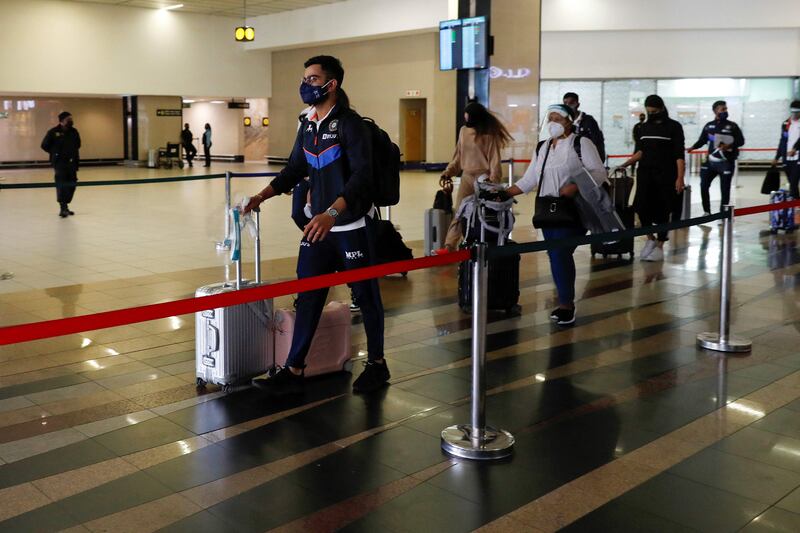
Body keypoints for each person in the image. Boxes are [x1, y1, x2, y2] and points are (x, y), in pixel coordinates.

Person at [243, 55, 388, 394]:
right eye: (305, 78)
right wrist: (260, 196)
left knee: (366, 296)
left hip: (351, 225)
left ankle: (378, 365)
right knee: (308, 295)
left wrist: (332, 214)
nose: (305, 84)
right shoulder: (308, 125)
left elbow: (362, 179)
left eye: (312, 78)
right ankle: (294, 369)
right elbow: (294, 168)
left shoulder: (351, 125)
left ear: (331, 84)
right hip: (318, 228)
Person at [498, 104, 607, 326]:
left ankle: (566, 304)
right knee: (557, 254)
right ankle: (564, 301)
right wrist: (503, 193)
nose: (553, 123)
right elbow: (530, 179)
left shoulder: (581, 143)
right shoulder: (543, 147)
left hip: (575, 209)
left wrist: (575, 185)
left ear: (569, 121)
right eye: (550, 118)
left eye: (558, 118)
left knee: (559, 253)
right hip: (549, 211)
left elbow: (599, 172)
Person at [617, 95, 686, 262]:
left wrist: (680, 178)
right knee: (640, 208)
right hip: (645, 174)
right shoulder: (643, 128)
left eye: (654, 111)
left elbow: (679, 155)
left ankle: (660, 245)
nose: (651, 114)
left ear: (661, 109)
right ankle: (650, 239)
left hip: (666, 175)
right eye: (649, 111)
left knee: (663, 210)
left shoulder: (674, 127)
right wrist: (624, 164)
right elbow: (640, 152)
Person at [439, 101, 512, 251]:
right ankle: (449, 245)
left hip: (484, 179)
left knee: (482, 213)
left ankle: (478, 241)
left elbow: (494, 160)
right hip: (466, 176)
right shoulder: (463, 131)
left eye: (468, 116)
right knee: (459, 211)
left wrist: (493, 181)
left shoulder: (489, 135)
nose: (466, 119)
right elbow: (458, 157)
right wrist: (449, 172)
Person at [688, 101, 745, 215]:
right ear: (715, 111)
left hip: (726, 162)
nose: (725, 111)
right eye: (722, 109)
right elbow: (702, 140)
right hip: (710, 162)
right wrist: (692, 147)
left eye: (726, 109)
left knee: (725, 189)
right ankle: (706, 212)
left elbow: (741, 141)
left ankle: (722, 214)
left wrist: (730, 145)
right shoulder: (709, 126)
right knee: (703, 186)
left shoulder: (733, 126)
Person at [41, 111, 81, 218]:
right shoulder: (53, 132)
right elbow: (44, 145)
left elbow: (78, 144)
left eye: (71, 119)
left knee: (72, 184)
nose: (71, 121)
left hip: (72, 163)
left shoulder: (74, 131)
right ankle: (63, 208)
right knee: (62, 184)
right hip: (60, 163)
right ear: (62, 121)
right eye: (68, 119)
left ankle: (66, 205)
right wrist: (55, 153)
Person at [563, 92, 606, 162]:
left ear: (578, 104)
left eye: (571, 103)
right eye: (565, 103)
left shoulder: (589, 120)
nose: (568, 106)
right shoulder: (564, 121)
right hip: (571, 160)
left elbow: (598, 142)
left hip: (588, 160)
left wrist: (599, 161)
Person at [773, 100, 800, 199]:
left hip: (798, 158)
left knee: (793, 182)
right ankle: (796, 206)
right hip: (787, 159)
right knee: (792, 184)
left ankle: (795, 206)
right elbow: (782, 141)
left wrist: (795, 148)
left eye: (797, 112)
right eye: (793, 112)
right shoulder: (786, 123)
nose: (794, 114)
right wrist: (777, 157)